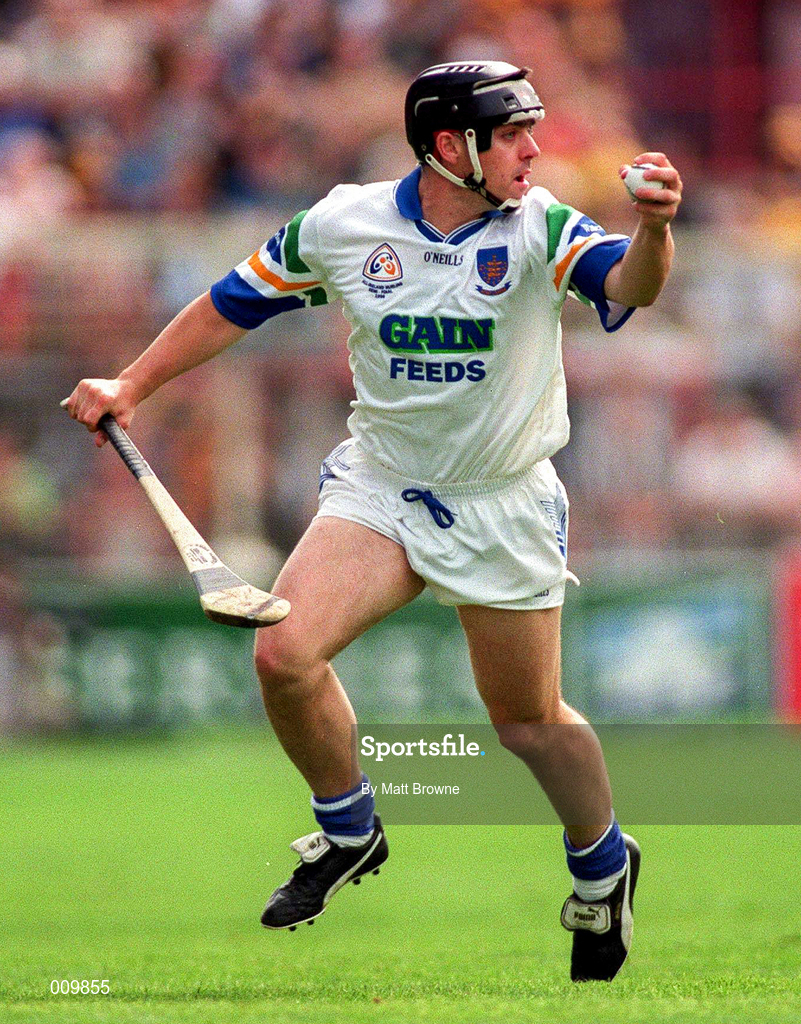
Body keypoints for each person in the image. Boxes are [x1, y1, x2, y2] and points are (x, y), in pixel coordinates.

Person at [63, 61, 682, 982]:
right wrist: (132, 384)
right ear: (450, 147)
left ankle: (601, 866)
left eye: (531, 131)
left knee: (524, 722)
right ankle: (348, 830)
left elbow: (631, 287)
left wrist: (656, 228)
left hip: (501, 498)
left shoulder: (541, 225)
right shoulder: (344, 224)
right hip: (383, 485)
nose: (533, 150)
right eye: (511, 135)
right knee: (283, 652)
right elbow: (232, 303)